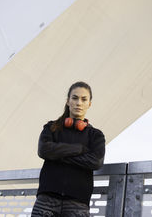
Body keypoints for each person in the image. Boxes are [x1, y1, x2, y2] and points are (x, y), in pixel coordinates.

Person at [31, 81, 106, 217]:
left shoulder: (96, 135)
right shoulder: (51, 127)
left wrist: (57, 155)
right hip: (46, 200)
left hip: (77, 204)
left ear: (89, 104)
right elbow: (44, 150)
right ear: (68, 101)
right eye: (75, 98)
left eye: (84, 99)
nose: (78, 103)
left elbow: (96, 161)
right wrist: (80, 149)